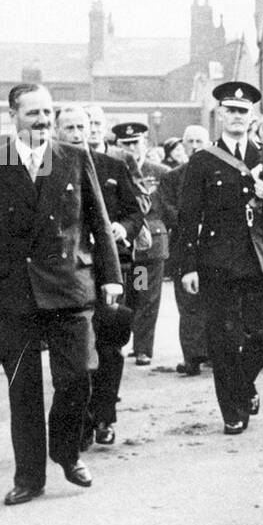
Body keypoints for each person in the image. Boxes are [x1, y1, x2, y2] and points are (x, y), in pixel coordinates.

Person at [0, 86, 122, 505]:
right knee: (22, 388)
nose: (42, 120)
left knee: (78, 377)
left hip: (68, 285)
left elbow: (98, 220)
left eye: (47, 112)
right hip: (14, 290)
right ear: (12, 114)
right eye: (33, 112)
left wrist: (113, 276)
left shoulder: (73, 156)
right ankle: (29, 477)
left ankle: (66, 453)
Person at [177, 81, 263, 434]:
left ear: (252, 115)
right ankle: (233, 410)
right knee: (222, 336)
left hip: (260, 257)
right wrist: (187, 266)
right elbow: (188, 217)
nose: (238, 116)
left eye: (244, 111)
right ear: (221, 114)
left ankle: (242, 385)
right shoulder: (203, 160)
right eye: (231, 110)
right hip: (217, 259)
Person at [76, 112, 145, 446]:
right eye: (78, 126)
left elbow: (135, 211)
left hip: (113, 268)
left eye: (92, 125)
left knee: (110, 344)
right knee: (77, 346)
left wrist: (125, 228)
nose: (86, 132)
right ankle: (81, 419)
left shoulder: (114, 166)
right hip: (73, 271)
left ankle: (104, 415)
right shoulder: (54, 166)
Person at [112, 121, 169, 368]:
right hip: (125, 245)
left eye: (136, 142)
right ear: (117, 145)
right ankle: (127, 344)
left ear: (145, 142)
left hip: (148, 247)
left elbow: (169, 207)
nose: (132, 148)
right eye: (126, 144)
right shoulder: (114, 168)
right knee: (130, 296)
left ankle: (143, 348)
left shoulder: (158, 171)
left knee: (146, 296)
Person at [160, 124, 211, 375]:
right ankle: (192, 357)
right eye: (189, 141)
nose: (194, 146)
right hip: (184, 245)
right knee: (188, 303)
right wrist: (191, 223)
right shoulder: (172, 177)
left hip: (214, 245)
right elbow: (166, 208)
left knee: (215, 301)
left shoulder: (219, 172)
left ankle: (214, 352)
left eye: (199, 140)